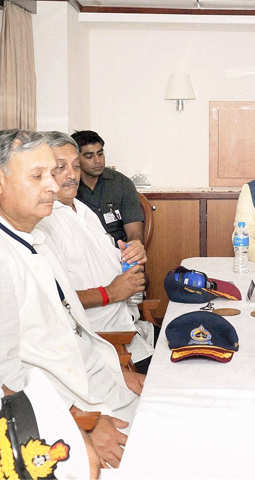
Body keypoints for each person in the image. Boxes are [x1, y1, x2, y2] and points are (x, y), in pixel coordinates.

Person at [0, 129, 144, 468]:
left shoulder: (35, 237)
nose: (53, 184)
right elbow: (7, 378)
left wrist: (116, 368)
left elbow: (71, 323)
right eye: (37, 176)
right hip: (60, 414)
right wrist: (80, 423)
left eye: (54, 173)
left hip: (95, 384)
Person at [35, 132, 154, 374]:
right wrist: (110, 293)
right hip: (102, 343)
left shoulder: (83, 210)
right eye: (61, 167)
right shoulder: (44, 222)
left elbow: (109, 259)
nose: (72, 175)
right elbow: (51, 301)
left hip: (129, 327)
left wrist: (130, 256)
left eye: (76, 166)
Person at [71, 130, 144, 244]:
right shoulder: (68, 186)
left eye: (100, 154)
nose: (98, 160)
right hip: (84, 253)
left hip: (120, 253)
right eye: (89, 156)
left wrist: (133, 248)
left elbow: (134, 233)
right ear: (76, 159)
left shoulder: (122, 183)